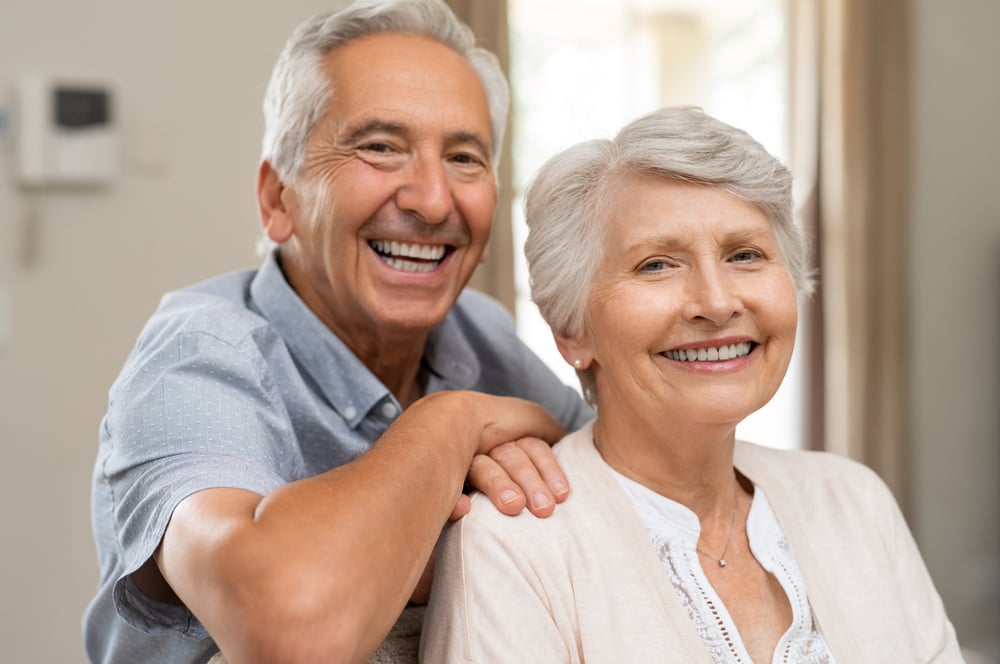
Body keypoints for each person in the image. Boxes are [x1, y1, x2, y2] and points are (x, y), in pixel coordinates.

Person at [83, 1, 592, 662]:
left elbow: (627, 491)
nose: (434, 200)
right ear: (278, 200)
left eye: (465, 157)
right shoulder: (198, 357)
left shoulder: (478, 331)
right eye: (380, 148)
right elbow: (290, 628)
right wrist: (454, 421)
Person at [421, 106, 964, 663]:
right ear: (569, 329)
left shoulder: (855, 500)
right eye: (657, 265)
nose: (718, 302)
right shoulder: (511, 547)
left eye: (745, 255)